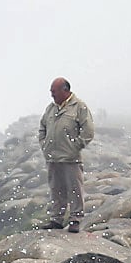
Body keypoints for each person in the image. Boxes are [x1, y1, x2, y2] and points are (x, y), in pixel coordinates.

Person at [38, 76, 94, 232]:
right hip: (52, 157)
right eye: (51, 91)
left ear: (65, 90)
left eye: (54, 91)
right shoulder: (51, 108)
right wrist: (44, 145)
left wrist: (75, 147)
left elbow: (88, 130)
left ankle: (76, 219)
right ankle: (57, 219)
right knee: (56, 189)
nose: (52, 94)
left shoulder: (79, 107)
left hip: (71, 158)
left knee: (74, 188)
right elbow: (42, 127)